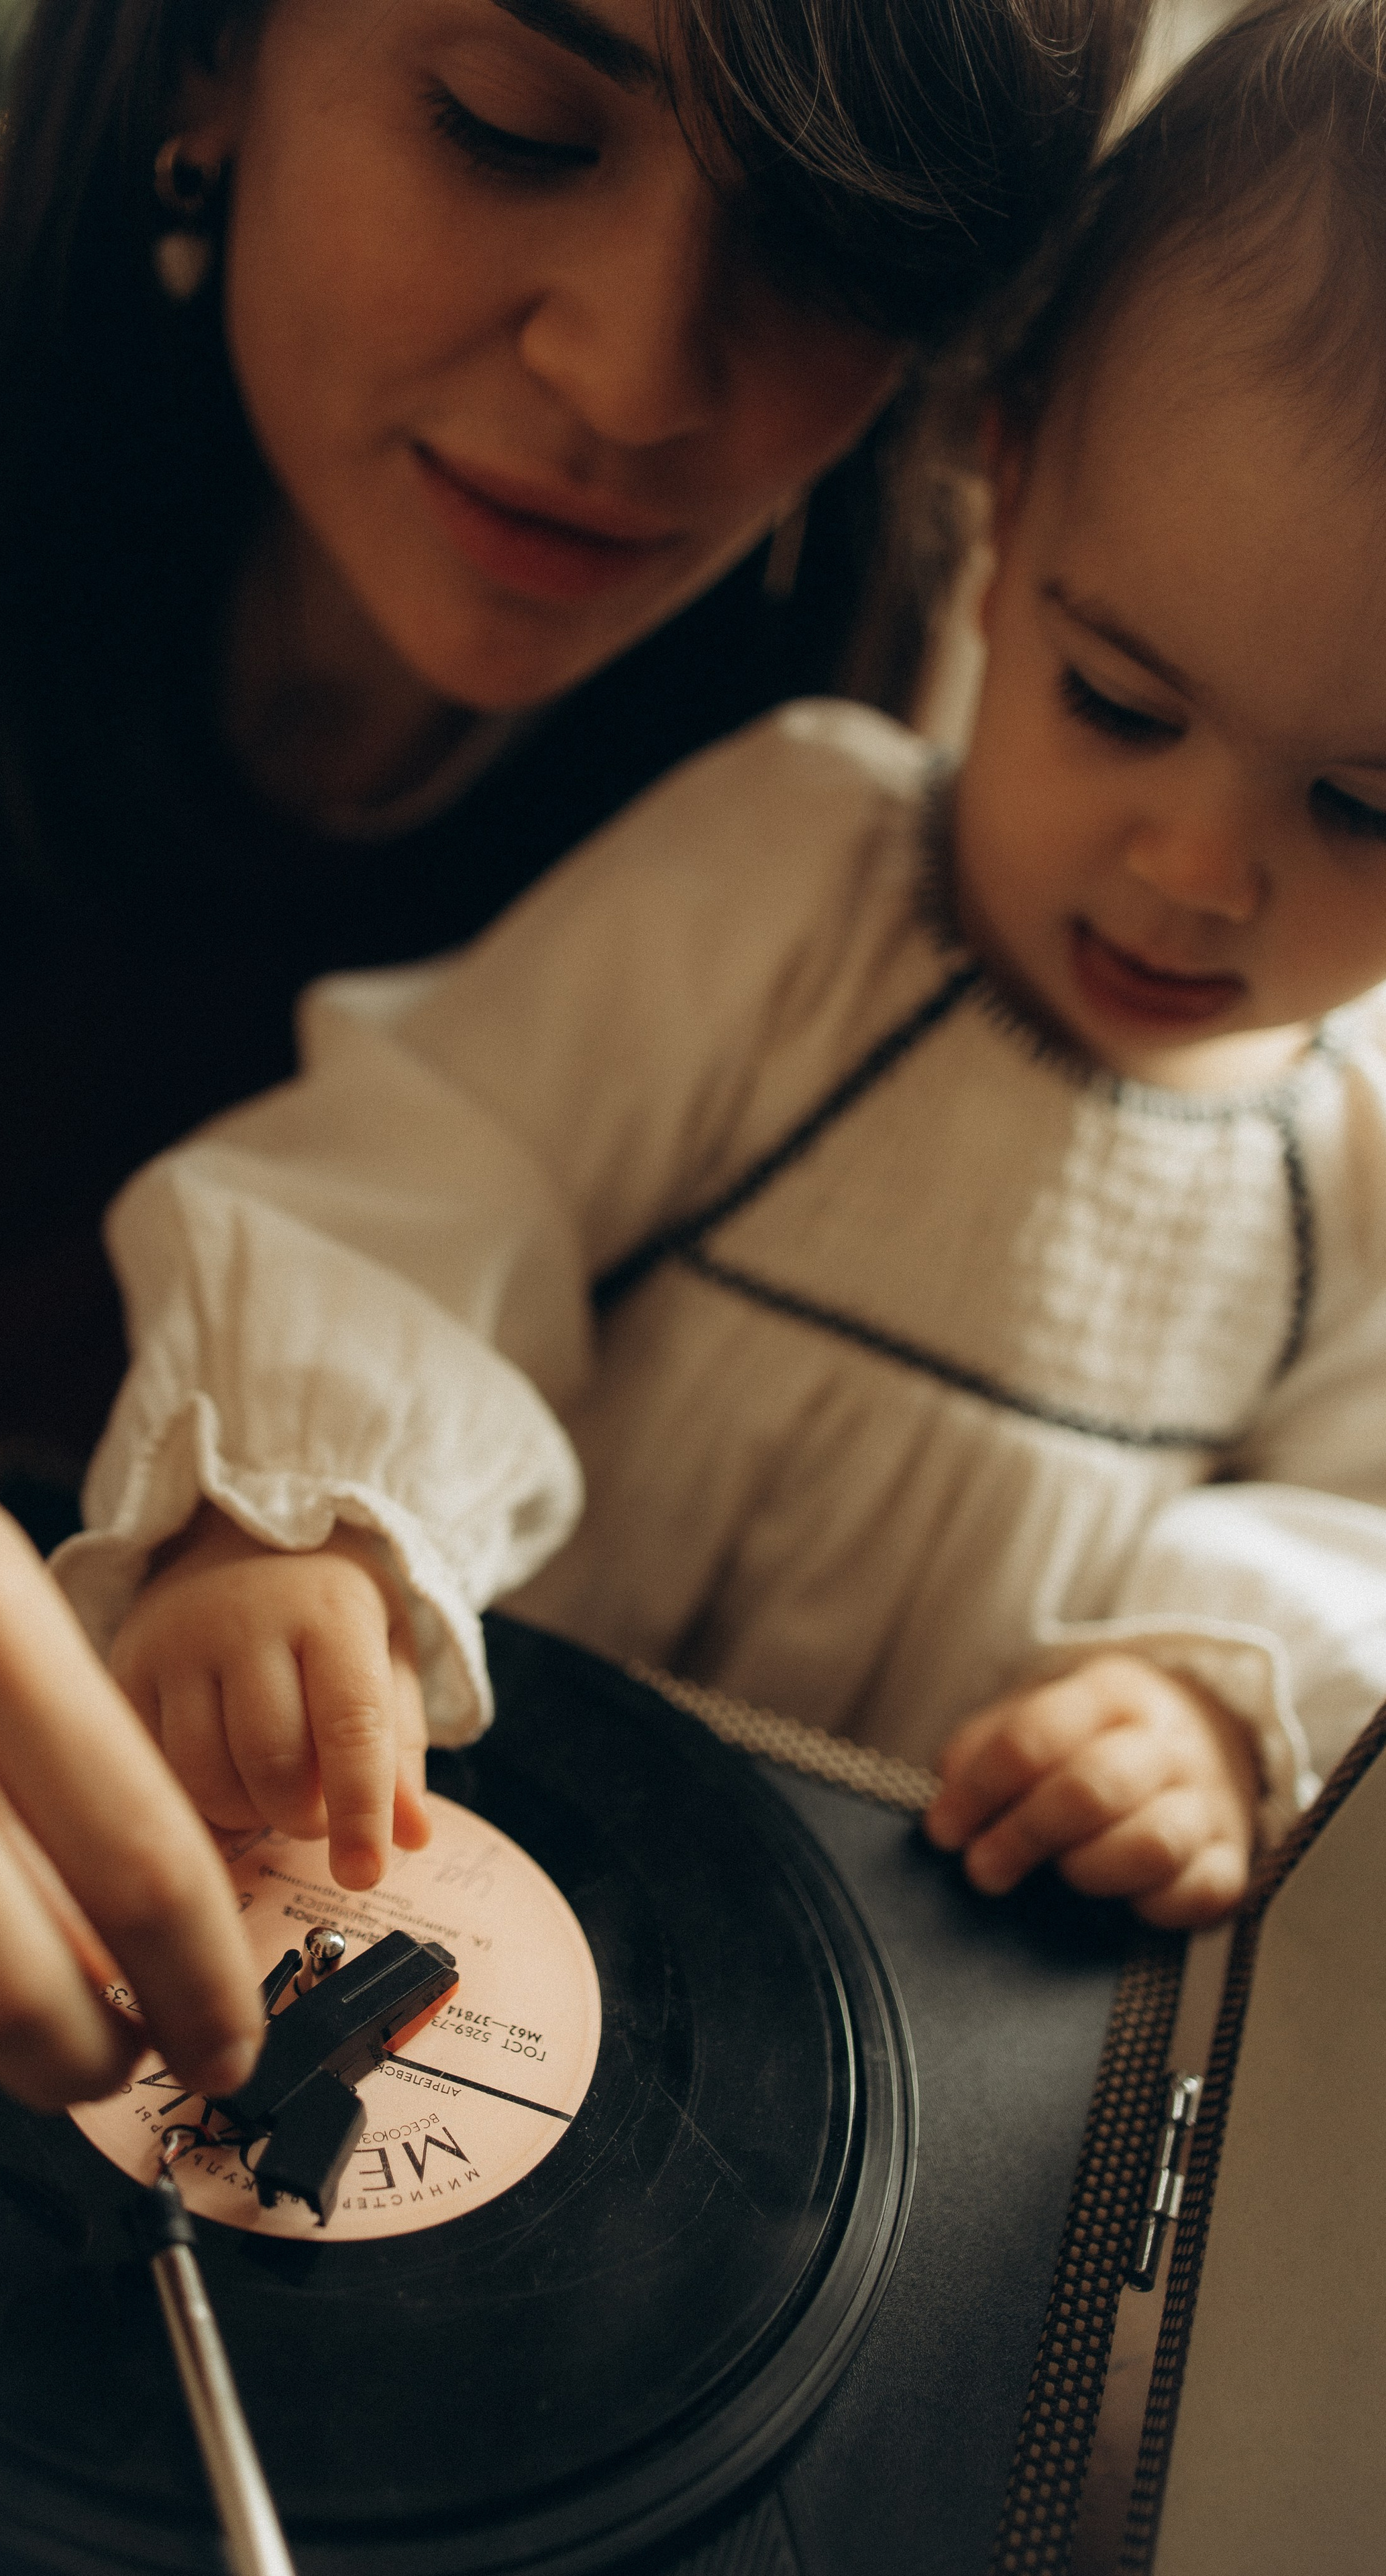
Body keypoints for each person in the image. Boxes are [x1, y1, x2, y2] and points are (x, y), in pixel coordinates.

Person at [0, 0, 1144, 2117]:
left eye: (833, 237)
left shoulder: (848, 828)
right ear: (204, 58)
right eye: (512, 129)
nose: (633, 379)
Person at [67, 0, 1386, 1936]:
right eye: (1114, 701)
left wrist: (1209, 1693)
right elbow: (439, 1168)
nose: (1197, 871)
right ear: (1000, 484)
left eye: (1367, 809)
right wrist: (307, 1522)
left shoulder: (1351, 1168)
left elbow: (1356, 1517)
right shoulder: (800, 869)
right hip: (459, 1832)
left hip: (901, 1996)